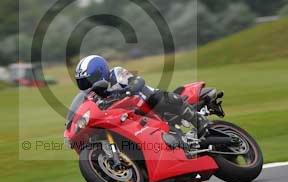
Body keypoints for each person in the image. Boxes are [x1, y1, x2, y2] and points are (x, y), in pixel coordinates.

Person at [74, 54, 214, 149]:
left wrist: (129, 89)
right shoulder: (93, 97)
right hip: (132, 117)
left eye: (88, 80)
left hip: (146, 102)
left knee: (158, 98)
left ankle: (199, 121)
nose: (87, 85)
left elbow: (138, 81)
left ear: (101, 72)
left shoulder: (115, 74)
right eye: (83, 82)